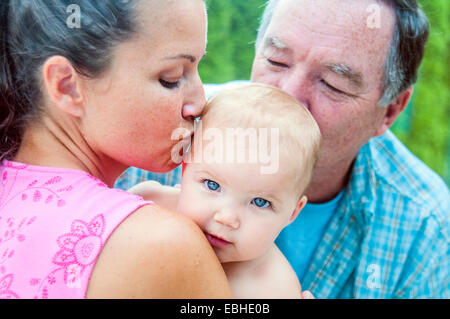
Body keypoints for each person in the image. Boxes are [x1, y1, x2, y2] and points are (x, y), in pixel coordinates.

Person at [116, 0, 450, 298]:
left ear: (390, 110)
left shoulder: (425, 232)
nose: (289, 94)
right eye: (276, 61)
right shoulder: (161, 130)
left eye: (333, 84)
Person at [0, 0, 233, 299]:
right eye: (171, 78)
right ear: (67, 86)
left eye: (199, 67)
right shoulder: (160, 244)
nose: (199, 102)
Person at [129, 83, 322, 298]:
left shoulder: (271, 289)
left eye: (259, 202)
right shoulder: (146, 206)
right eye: (213, 185)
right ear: (185, 171)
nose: (227, 218)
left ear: (292, 213)